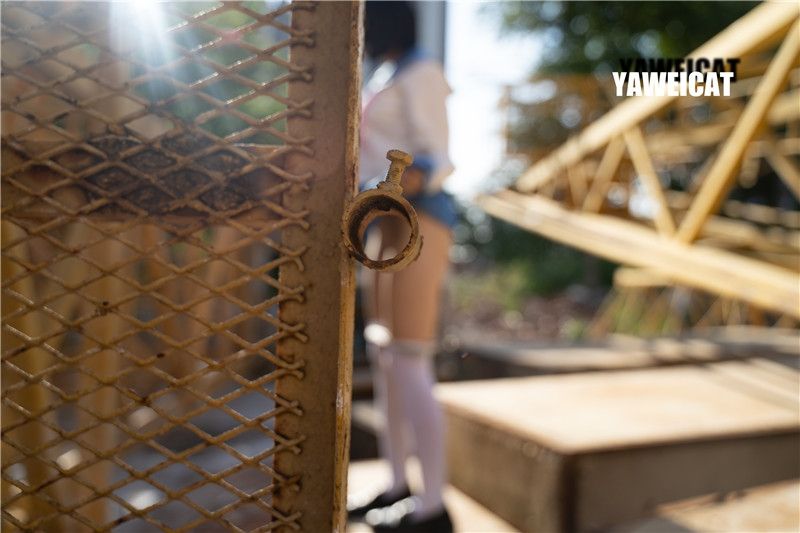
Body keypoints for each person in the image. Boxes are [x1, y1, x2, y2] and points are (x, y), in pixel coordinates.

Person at [347, 2, 457, 532]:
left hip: (419, 219)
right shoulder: (385, 74)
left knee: (410, 358)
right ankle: (397, 487)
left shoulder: (421, 72)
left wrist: (404, 181)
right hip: (383, 220)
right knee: (385, 357)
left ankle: (433, 507)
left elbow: (438, 159)